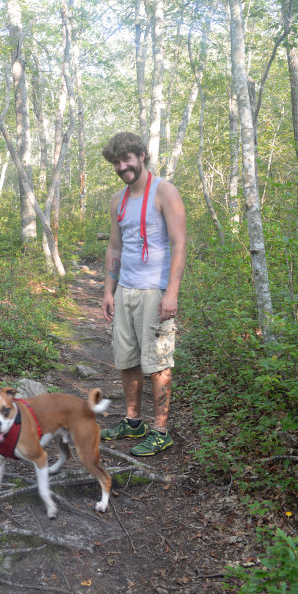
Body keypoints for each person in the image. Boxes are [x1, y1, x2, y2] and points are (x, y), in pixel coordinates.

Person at [100, 132, 186, 456]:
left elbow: (179, 244)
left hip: (155, 290)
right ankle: (133, 421)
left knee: (159, 361)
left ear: (141, 155)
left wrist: (171, 294)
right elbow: (115, 246)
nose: (123, 167)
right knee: (127, 358)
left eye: (128, 159)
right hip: (125, 289)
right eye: (117, 162)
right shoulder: (118, 200)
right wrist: (109, 290)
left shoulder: (164, 192)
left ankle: (161, 430)